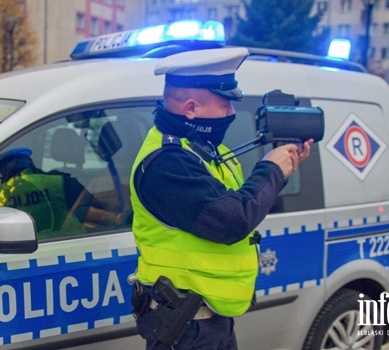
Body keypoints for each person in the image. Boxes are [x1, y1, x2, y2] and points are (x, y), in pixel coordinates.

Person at [129, 47, 314, 349]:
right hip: (185, 328)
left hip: (209, 321)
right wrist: (271, 169)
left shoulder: (207, 150)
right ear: (191, 108)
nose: (231, 112)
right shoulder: (166, 162)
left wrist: (283, 167)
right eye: (225, 102)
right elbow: (232, 221)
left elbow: (243, 201)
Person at [0, 147, 93, 237]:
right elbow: (91, 205)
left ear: (4, 171)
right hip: (73, 245)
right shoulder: (61, 182)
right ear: (31, 163)